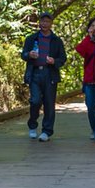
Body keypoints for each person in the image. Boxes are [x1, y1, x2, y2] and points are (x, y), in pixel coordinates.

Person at [22, 11, 67, 140]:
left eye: (47, 21)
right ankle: (32, 124)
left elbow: (63, 58)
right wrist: (29, 54)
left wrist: (54, 61)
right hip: (35, 73)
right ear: (39, 23)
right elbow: (23, 55)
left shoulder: (56, 40)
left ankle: (47, 131)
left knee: (49, 103)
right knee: (35, 101)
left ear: (51, 23)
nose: (45, 24)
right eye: (42, 21)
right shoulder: (31, 39)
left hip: (50, 74)